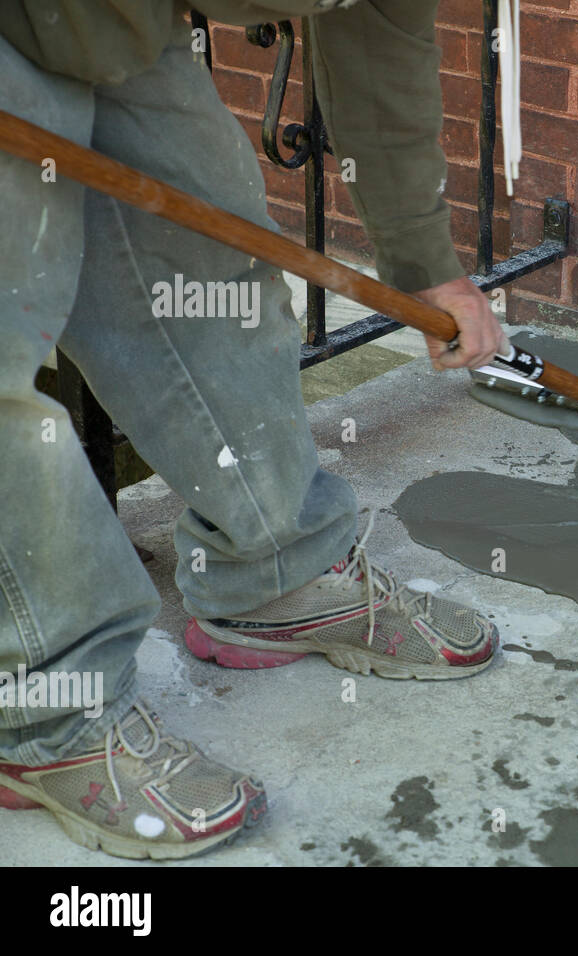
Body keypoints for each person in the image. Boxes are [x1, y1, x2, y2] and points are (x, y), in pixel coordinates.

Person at [0, 0, 504, 859]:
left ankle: (275, 570)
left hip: (106, 21)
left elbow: (378, 30)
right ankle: (47, 707)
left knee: (211, 272)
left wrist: (427, 268)